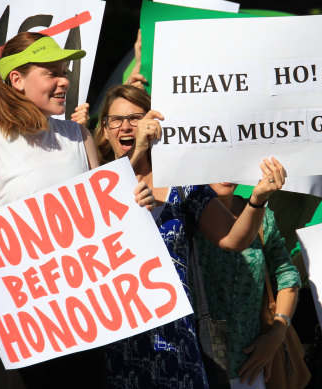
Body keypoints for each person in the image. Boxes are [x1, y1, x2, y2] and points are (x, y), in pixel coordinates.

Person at [0, 32, 154, 389]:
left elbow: (106, 214)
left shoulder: (77, 137)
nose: (65, 80)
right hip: (12, 323)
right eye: (51, 72)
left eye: (64, 71)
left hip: (77, 320)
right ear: (16, 80)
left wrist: (134, 202)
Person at [94, 84, 286, 389]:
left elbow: (233, 239)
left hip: (176, 343)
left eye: (136, 117)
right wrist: (137, 156)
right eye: (115, 120)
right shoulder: (90, 187)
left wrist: (258, 199)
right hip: (118, 345)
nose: (127, 126)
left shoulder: (182, 184)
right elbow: (92, 228)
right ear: (104, 130)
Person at [195, 182, 300, 388]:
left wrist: (277, 333)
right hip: (196, 366)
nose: (224, 172)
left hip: (247, 370)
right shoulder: (184, 213)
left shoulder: (262, 216)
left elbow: (287, 274)